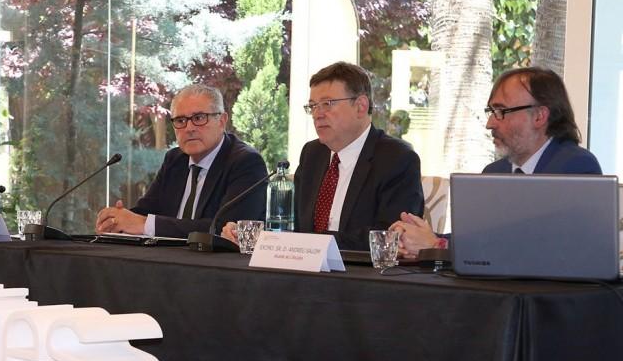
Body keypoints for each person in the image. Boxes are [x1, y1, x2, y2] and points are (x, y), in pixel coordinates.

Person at [392, 67, 603, 257]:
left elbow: (532, 246)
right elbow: (478, 239)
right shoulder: (495, 171)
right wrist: (422, 237)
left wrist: (436, 245)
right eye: (491, 112)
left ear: (539, 116)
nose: (490, 123)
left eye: (501, 111)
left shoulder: (575, 167)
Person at [224, 61, 424, 250]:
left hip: (359, 271)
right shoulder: (313, 154)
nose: (317, 114)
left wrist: (314, 242)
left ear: (360, 106)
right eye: (313, 106)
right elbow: (290, 222)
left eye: (327, 104)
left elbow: (391, 235)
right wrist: (250, 232)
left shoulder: (397, 158)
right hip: (303, 268)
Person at [95, 84, 267, 238]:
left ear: (222, 121)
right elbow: (145, 212)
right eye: (180, 120)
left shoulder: (246, 162)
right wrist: (118, 220)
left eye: (199, 118)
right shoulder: (175, 159)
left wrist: (142, 224)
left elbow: (226, 229)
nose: (189, 128)